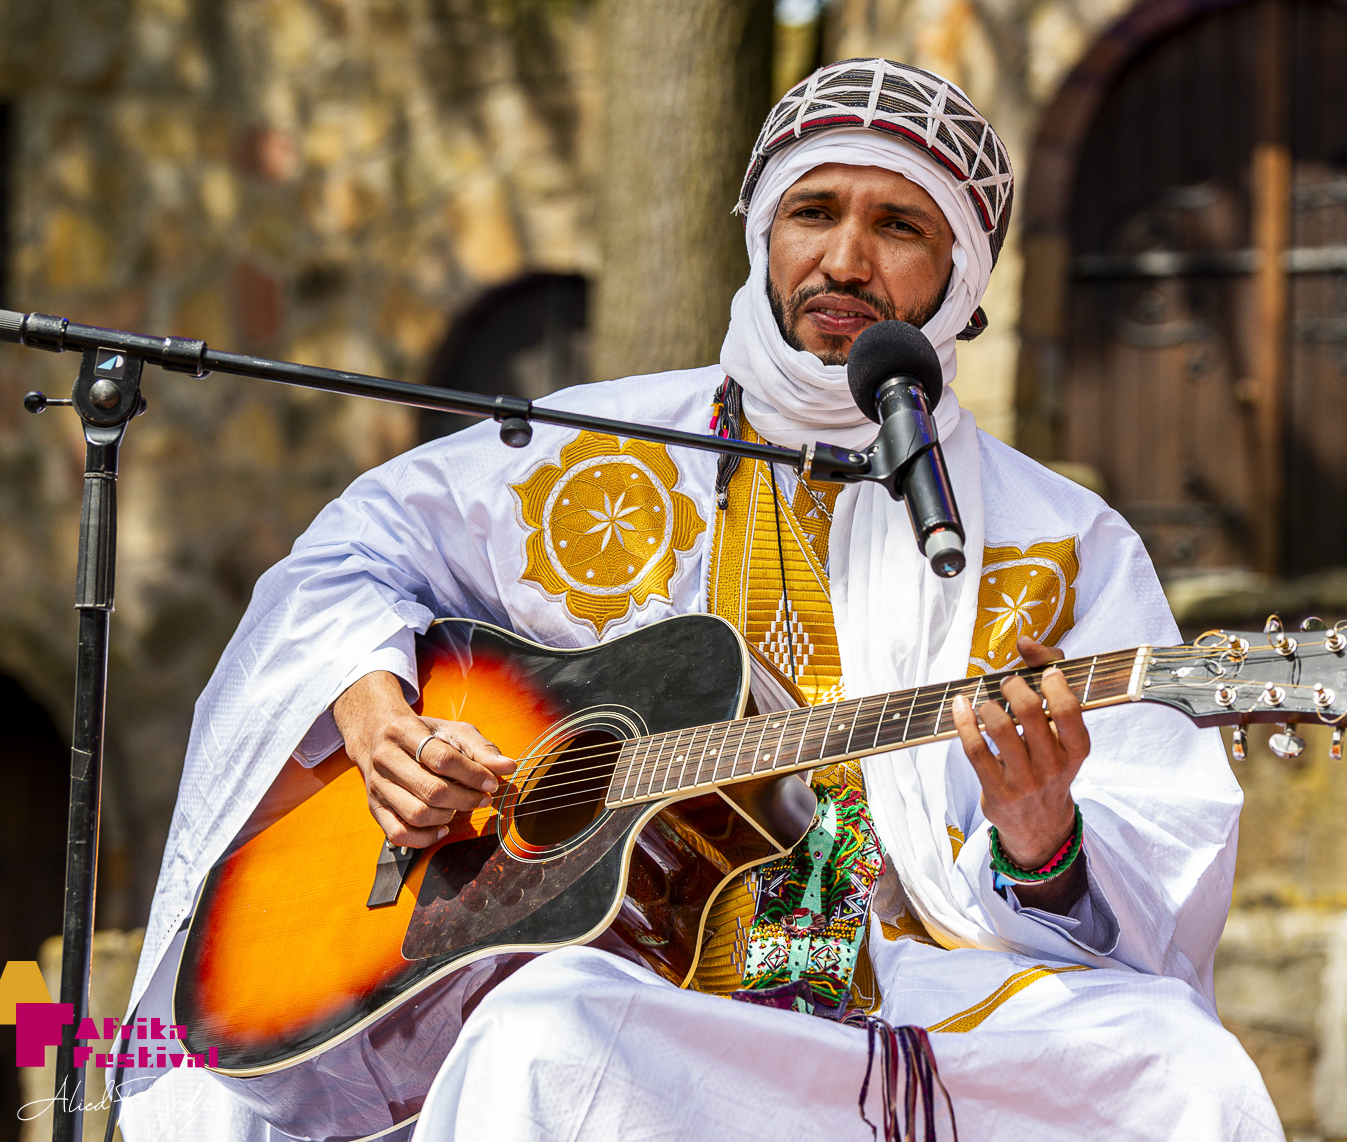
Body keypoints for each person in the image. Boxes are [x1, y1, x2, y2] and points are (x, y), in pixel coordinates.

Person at [119, 59, 1282, 1141]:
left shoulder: (1064, 543)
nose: (845, 260)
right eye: (813, 211)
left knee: (1183, 1067)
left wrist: (1041, 837)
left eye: (899, 226)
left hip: (924, 986)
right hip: (648, 987)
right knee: (544, 1031)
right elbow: (345, 557)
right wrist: (380, 718)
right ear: (764, 235)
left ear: (963, 280)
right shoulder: (594, 448)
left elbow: (1154, 852)